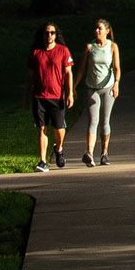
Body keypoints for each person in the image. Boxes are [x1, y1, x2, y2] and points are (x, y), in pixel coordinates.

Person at [27, 21, 74, 171]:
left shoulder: (63, 51)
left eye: (52, 33)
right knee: (42, 128)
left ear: (56, 35)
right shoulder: (36, 52)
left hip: (57, 96)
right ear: (42, 35)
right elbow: (31, 76)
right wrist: (26, 94)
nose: (49, 35)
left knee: (59, 129)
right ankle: (42, 161)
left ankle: (58, 149)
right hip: (39, 96)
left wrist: (70, 93)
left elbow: (68, 73)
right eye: (47, 33)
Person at [78, 16, 123, 167]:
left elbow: (117, 68)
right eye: (96, 28)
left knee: (105, 121)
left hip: (108, 87)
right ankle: (89, 153)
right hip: (92, 88)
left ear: (107, 31)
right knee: (93, 121)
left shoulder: (112, 46)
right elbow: (82, 68)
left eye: (100, 28)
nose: (97, 30)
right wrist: (73, 87)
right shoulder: (90, 47)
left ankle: (104, 153)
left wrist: (116, 84)